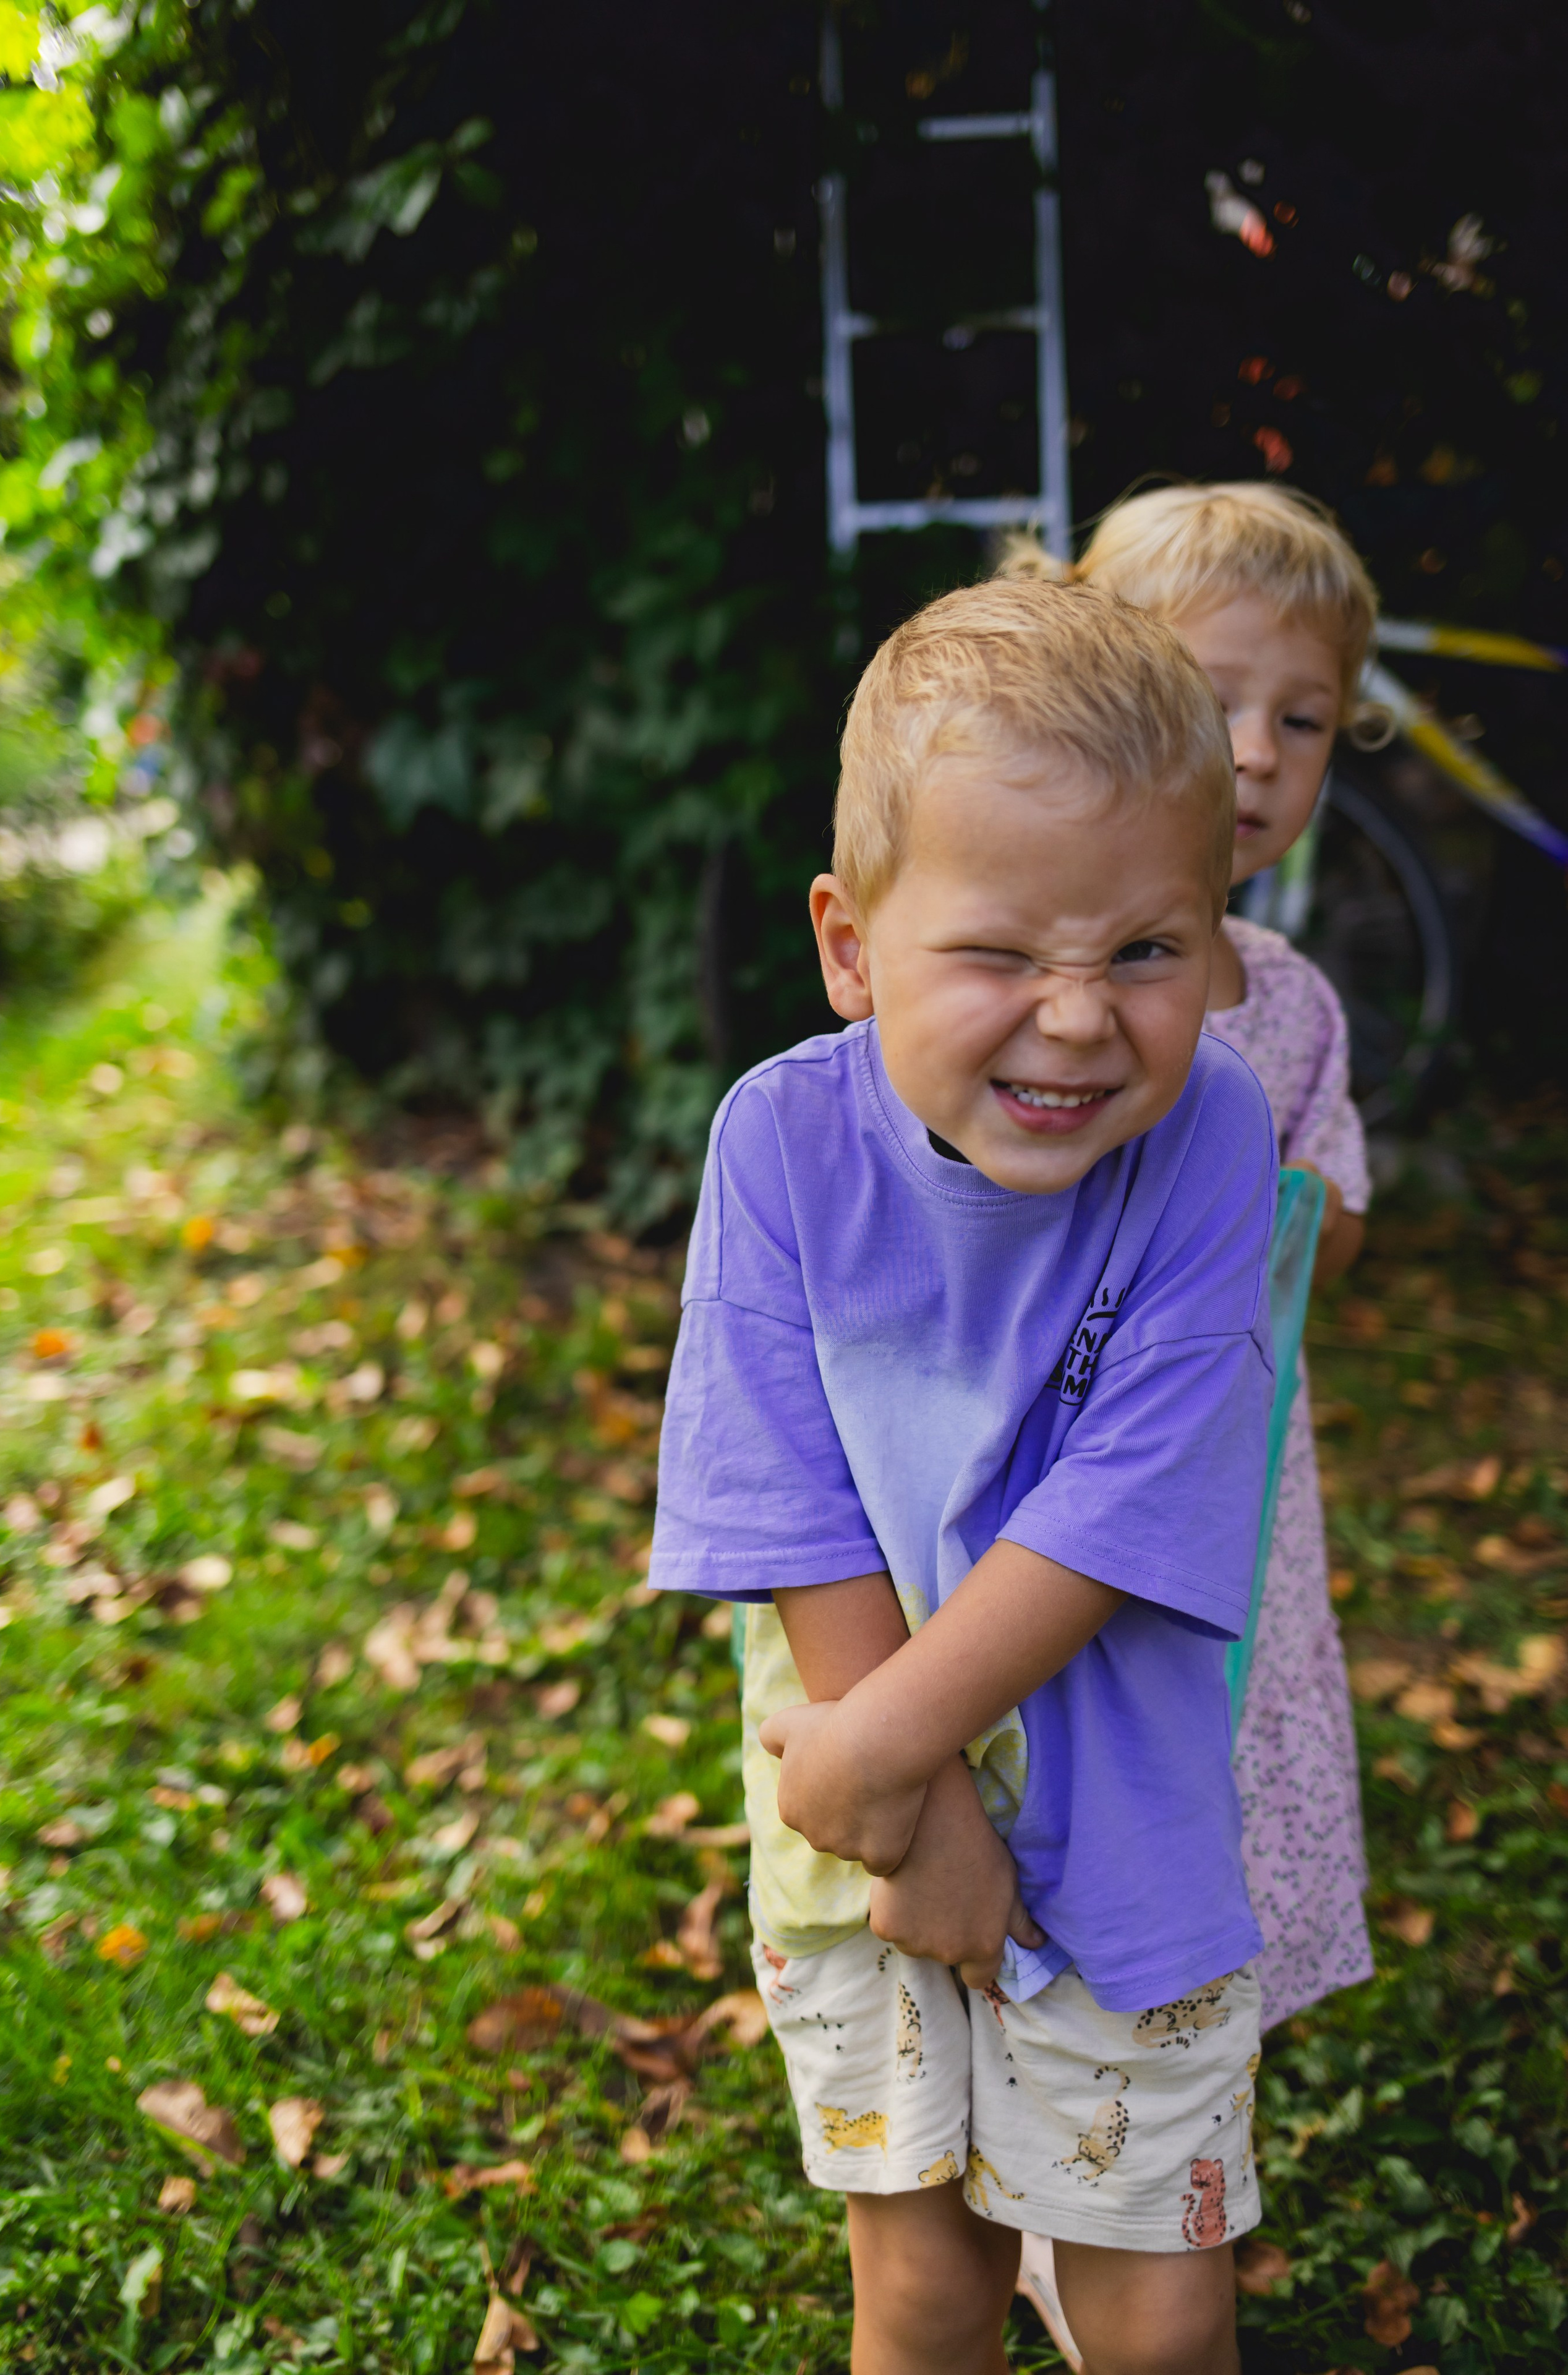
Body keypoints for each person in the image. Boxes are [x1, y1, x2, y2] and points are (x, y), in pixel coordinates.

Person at [650, 575, 1282, 2375]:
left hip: (1124, 1836)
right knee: (924, 2294)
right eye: (1002, 955)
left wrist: (882, 1761)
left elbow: (1128, 1499)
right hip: (858, 1835)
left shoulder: (1213, 1137)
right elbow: (784, 1502)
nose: (1079, 1020)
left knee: (1156, 2318)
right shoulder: (779, 1145)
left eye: (1149, 952)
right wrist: (905, 1813)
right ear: (853, 949)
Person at [1003, 482, 1376, 2034]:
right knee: (1035, 1773)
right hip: (1044, 1475)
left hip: (1222, 1496)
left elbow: (1326, 1232)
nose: (1253, 754)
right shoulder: (1032, 964)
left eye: (1301, 720)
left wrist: (1290, 1202)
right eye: (1208, 699)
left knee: (1206, 1779)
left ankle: (1175, 2113)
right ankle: (1033, 2146)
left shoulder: (1285, 1004)